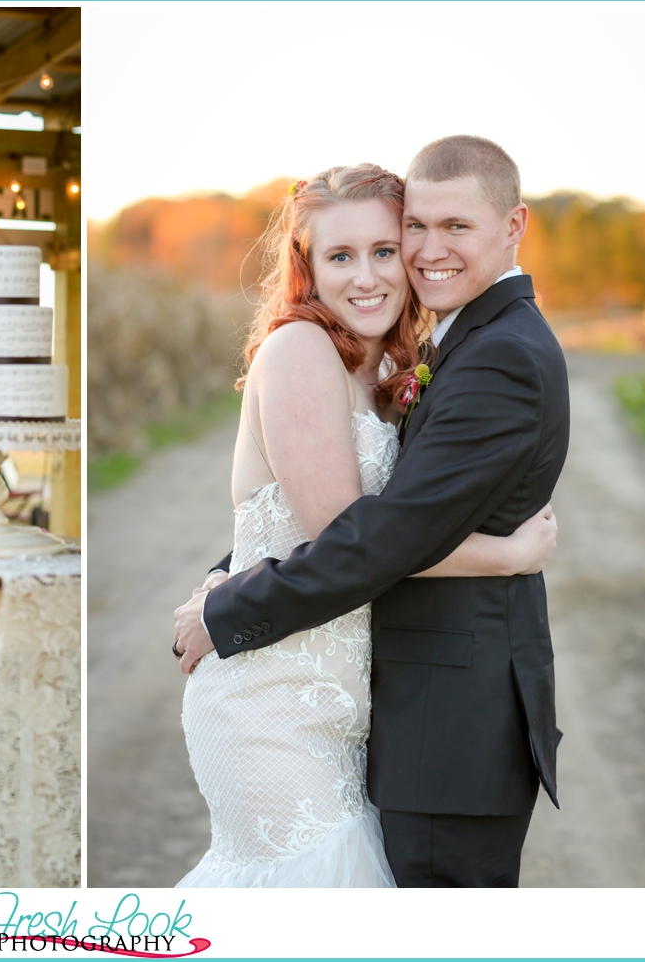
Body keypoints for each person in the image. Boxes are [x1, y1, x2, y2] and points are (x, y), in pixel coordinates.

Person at [174, 138, 569, 888]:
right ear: (307, 265)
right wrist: (504, 554)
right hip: (276, 697)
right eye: (342, 256)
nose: (374, 272)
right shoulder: (300, 351)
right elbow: (347, 535)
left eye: (385, 248)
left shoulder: (395, 363)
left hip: (350, 697)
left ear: (513, 224)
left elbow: (368, 527)